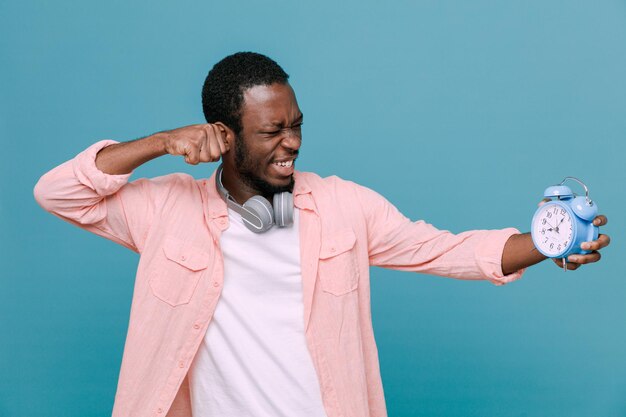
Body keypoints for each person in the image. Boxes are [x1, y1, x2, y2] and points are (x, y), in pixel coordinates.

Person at [34, 52, 610, 417]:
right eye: (272, 131)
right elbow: (58, 193)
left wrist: (549, 243)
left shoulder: (343, 206)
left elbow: (448, 250)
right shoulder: (165, 210)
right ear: (224, 135)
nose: (293, 143)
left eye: (297, 125)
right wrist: (160, 142)